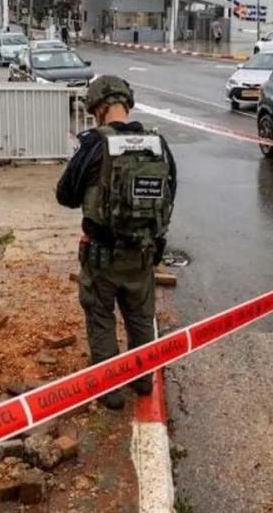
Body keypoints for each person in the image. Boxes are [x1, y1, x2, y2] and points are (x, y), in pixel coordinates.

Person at [56, 76, 177, 410]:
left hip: (101, 257)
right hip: (142, 255)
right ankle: (142, 381)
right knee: (140, 319)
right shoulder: (158, 143)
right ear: (127, 103)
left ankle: (110, 391)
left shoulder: (93, 144)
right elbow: (171, 194)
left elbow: (65, 195)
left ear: (97, 107)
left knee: (100, 318)